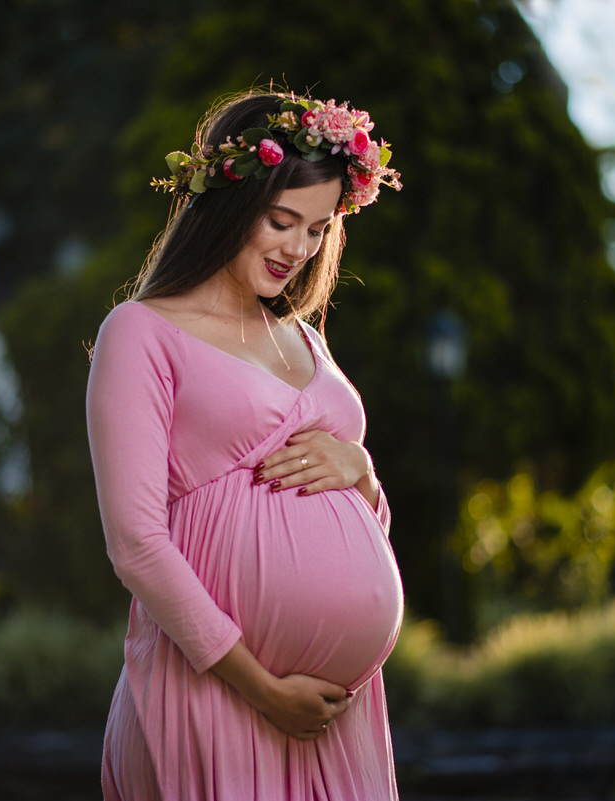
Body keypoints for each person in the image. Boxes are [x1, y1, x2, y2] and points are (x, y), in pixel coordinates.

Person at [86, 89, 404, 800]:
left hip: (336, 712)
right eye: (282, 221)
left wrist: (363, 472)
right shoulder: (142, 332)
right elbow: (135, 543)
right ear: (230, 205)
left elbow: (364, 526)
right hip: (218, 691)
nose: (299, 249)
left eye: (319, 228)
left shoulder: (306, 338)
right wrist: (262, 688)